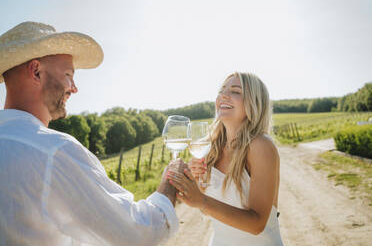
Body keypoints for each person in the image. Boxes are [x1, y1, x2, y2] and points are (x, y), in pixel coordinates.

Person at [0, 21, 185, 245]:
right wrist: (169, 184)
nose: (74, 87)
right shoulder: (53, 151)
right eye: (68, 75)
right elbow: (137, 233)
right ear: (36, 71)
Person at [167, 72, 284, 245]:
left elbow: (257, 224)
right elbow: (211, 211)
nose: (223, 95)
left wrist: (202, 200)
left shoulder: (261, 146)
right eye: (222, 90)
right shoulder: (211, 148)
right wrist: (197, 186)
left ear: (254, 102)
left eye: (236, 91)